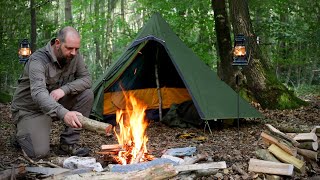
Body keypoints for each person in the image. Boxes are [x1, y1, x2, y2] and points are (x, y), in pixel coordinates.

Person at [11, 26, 93, 159]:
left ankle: (68, 144)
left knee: (86, 94)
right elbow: (38, 93)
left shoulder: (74, 57)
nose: (74, 53)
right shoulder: (38, 60)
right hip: (30, 109)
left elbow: (87, 79)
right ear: (57, 43)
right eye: (69, 48)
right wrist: (64, 113)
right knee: (39, 153)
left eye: (76, 49)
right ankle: (21, 134)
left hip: (53, 104)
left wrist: (64, 90)